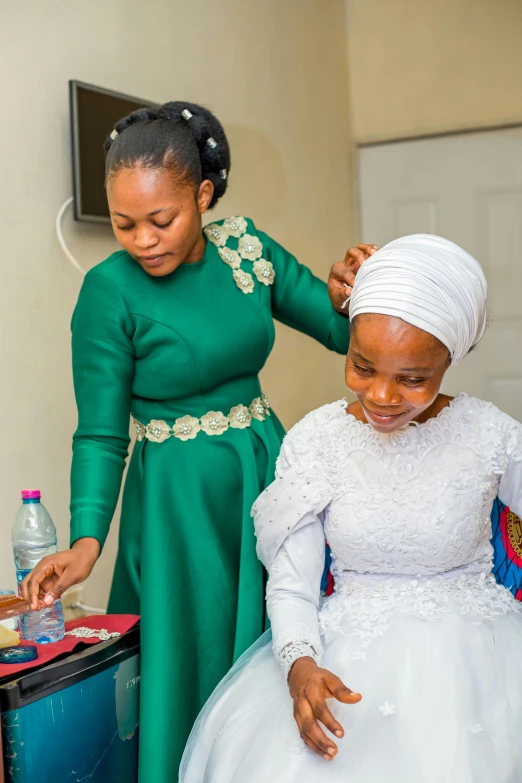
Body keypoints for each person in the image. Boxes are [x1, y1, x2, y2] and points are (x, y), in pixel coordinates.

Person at [20, 100, 360, 779]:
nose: (142, 239)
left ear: (202, 195)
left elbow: (344, 331)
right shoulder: (107, 293)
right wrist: (88, 540)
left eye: (161, 219)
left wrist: (366, 286)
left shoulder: (249, 251)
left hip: (266, 471)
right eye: (124, 224)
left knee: (289, 634)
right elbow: (100, 431)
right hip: (179, 507)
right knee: (201, 658)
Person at [180, 234, 522, 783]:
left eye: (413, 379)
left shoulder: (490, 434)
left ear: (449, 360)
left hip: (481, 665)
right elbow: (292, 583)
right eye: (363, 367)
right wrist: (300, 665)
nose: (382, 396)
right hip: (343, 658)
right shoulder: (317, 442)